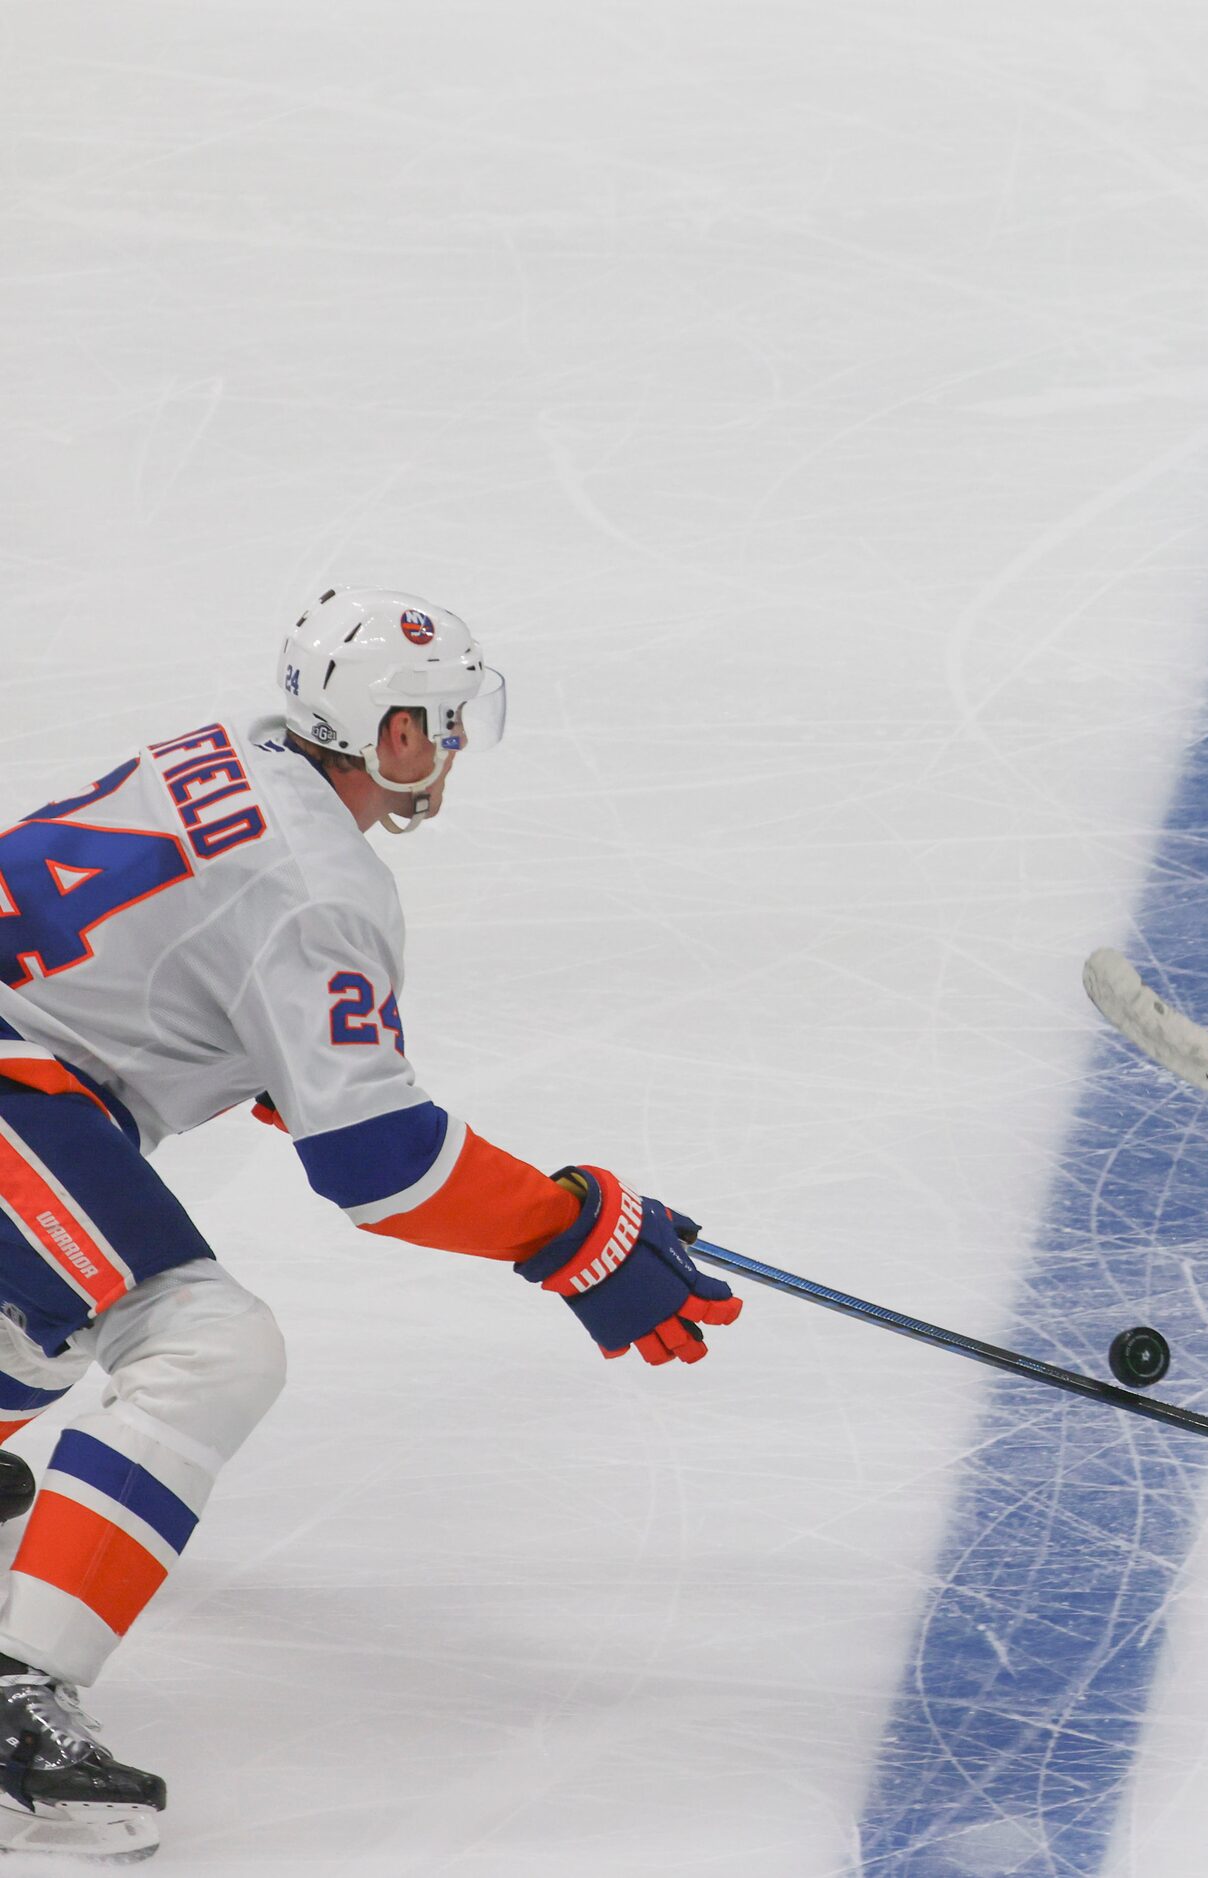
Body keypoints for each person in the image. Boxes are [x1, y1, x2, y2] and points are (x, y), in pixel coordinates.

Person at [0, 591, 740, 1859]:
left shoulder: (226, 752)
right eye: (438, 727)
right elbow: (377, 1167)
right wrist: (567, 1232)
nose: (447, 753)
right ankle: (18, 1698)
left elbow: (220, 1008)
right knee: (208, 1344)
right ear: (390, 737)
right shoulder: (322, 884)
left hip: (33, 1076)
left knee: (58, 1291)